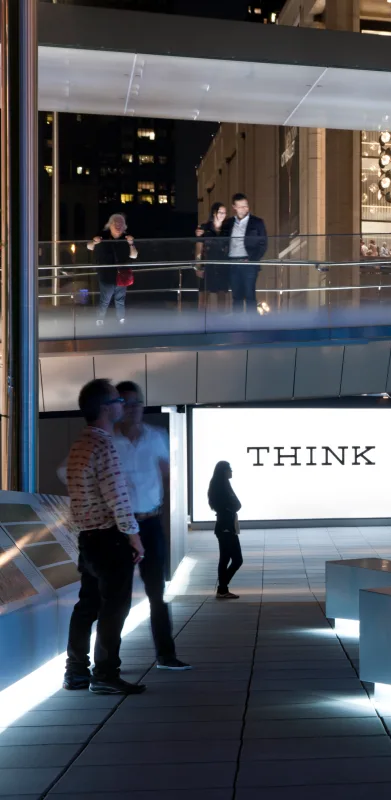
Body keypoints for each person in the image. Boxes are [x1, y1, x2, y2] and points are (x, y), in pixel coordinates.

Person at [62, 379, 147, 695]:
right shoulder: (103, 444)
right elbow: (117, 497)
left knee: (87, 606)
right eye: (117, 401)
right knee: (114, 608)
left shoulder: (79, 445)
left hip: (88, 538)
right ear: (104, 407)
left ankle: (76, 672)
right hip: (110, 539)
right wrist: (134, 538)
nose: (122, 406)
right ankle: (106, 674)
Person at [113, 381, 191, 671]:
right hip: (118, 526)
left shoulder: (157, 437)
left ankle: (166, 654)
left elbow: (167, 476)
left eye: (136, 403)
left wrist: (164, 517)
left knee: (157, 592)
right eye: (125, 402)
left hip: (149, 522)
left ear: (143, 406)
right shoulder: (108, 440)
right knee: (117, 597)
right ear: (117, 407)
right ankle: (110, 664)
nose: (132, 408)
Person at [87, 214, 138, 325]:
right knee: (105, 299)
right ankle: (100, 319)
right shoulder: (102, 236)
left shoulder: (127, 238)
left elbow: (134, 255)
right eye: (116, 223)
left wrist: (131, 244)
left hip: (122, 274)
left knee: (120, 299)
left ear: (124, 226)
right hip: (106, 275)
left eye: (121, 223)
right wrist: (95, 242)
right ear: (110, 225)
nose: (118, 225)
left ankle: (121, 319)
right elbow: (89, 246)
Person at [227, 193, 268, 313]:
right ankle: (237, 326)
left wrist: (253, 259)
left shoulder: (257, 222)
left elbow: (263, 243)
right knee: (236, 296)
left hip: (249, 262)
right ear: (234, 207)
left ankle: (252, 325)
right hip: (231, 263)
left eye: (246, 206)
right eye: (240, 206)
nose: (244, 209)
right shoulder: (228, 223)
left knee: (250, 294)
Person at [208, 461, 243, 599]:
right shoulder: (221, 487)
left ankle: (222, 588)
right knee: (235, 559)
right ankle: (222, 587)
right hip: (226, 527)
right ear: (224, 471)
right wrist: (231, 507)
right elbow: (230, 505)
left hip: (226, 526)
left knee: (226, 558)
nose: (231, 472)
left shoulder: (222, 485)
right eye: (230, 469)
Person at [194, 202, 230, 313]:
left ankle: (221, 322)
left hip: (222, 265)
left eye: (224, 213)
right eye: (220, 212)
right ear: (214, 213)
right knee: (204, 295)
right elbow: (199, 247)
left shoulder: (226, 229)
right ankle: (201, 323)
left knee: (222, 294)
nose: (222, 215)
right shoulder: (204, 228)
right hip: (207, 265)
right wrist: (198, 266)